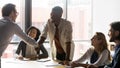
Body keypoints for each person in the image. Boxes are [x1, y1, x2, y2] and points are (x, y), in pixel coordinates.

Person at [0, 3, 38, 68]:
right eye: (16, 13)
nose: (16, 15)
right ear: (12, 12)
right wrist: (38, 43)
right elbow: (27, 39)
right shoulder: (12, 25)